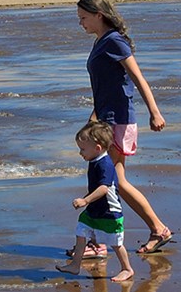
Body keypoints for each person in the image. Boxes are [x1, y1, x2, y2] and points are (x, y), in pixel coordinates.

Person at [76, 0, 173, 254]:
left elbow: (138, 78)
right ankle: (99, 241)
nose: (80, 23)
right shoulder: (100, 42)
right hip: (105, 118)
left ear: (99, 15)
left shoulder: (115, 41)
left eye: (84, 17)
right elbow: (103, 86)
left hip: (118, 120)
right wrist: (93, 117)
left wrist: (155, 112)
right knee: (104, 181)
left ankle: (156, 229)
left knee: (112, 182)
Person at [56, 120, 134, 282]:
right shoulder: (94, 161)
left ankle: (127, 269)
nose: (80, 153)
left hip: (109, 212)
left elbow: (103, 189)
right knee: (81, 231)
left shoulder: (105, 164)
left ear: (97, 148)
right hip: (95, 210)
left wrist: (85, 200)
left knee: (115, 242)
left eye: (83, 149)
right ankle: (75, 265)